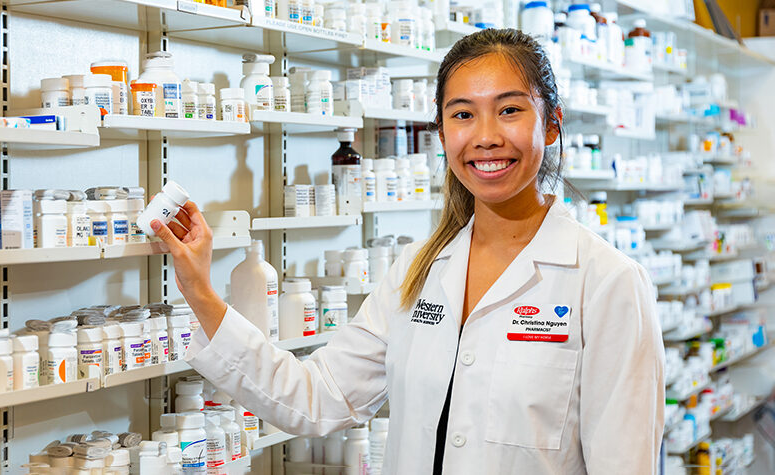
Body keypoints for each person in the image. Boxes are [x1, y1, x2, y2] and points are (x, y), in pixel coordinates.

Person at [150, 29, 664, 474]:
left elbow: (625, 463)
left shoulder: (606, 282)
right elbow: (315, 398)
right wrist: (200, 289)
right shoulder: (418, 271)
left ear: (550, 124)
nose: (485, 138)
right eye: (463, 114)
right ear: (442, 133)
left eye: (509, 110)